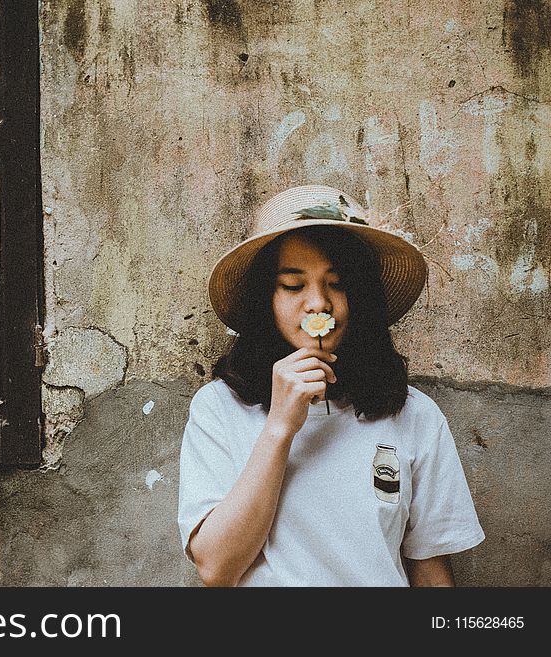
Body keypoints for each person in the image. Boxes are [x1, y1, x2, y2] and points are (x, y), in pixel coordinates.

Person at [177, 184, 485, 587]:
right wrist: (280, 427)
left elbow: (428, 569)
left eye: (337, 283)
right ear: (264, 299)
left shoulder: (414, 414)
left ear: (360, 296)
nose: (318, 303)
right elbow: (216, 568)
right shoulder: (219, 408)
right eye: (293, 285)